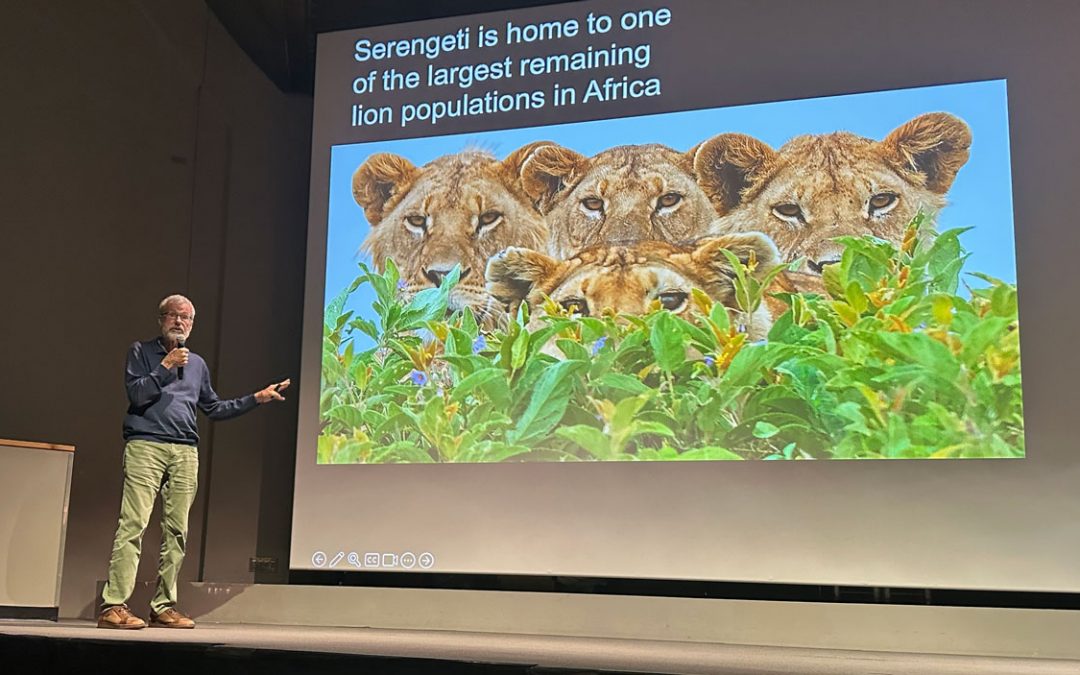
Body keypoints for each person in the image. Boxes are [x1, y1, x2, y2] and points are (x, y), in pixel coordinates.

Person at [97, 294, 290, 629]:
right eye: (173, 315)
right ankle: (114, 606)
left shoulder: (197, 364)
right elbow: (138, 394)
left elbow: (214, 408)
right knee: (134, 525)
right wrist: (166, 366)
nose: (180, 322)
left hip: (185, 451)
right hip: (146, 445)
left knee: (177, 532)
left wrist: (255, 399)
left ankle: (163, 605)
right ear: (161, 319)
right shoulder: (141, 352)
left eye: (186, 317)